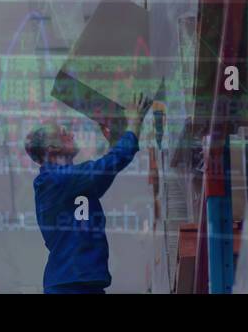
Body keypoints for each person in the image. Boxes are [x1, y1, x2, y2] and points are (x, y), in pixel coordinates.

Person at [25, 92, 153, 294]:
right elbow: (107, 167)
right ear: (52, 148)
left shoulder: (67, 183)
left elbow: (100, 179)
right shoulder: (54, 180)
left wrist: (114, 145)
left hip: (79, 283)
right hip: (72, 285)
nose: (72, 135)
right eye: (64, 133)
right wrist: (134, 124)